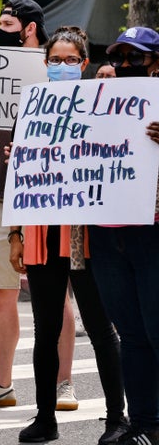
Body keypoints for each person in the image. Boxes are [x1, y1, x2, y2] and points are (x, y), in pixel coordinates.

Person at [0, 0, 79, 411]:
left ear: (28, 28)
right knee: (0, 292)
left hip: (44, 196)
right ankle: (0, 384)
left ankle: (64, 384)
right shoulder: (0, 80)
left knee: (56, 294)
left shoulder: (52, 73)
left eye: (8, 22)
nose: (1, 28)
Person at [8, 26, 128, 444]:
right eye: (55, 60)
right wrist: (16, 235)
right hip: (42, 233)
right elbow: (19, 179)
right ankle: (45, 418)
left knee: (100, 328)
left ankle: (117, 418)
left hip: (85, 235)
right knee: (45, 329)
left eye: (70, 60)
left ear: (84, 63)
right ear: (45, 64)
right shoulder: (32, 108)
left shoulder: (100, 107)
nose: (62, 66)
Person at [90, 26, 159, 445]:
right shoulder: (94, 100)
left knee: (156, 331)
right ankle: (144, 424)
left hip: (151, 233)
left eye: (136, 57)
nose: (125, 65)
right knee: (131, 335)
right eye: (119, 56)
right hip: (105, 234)